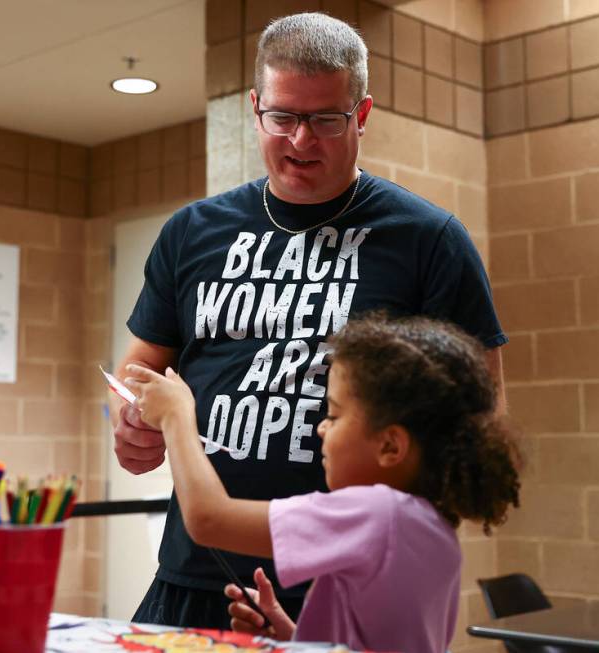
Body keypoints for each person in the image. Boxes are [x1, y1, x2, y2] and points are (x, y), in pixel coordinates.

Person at [111, 12, 507, 628]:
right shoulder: (191, 231)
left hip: (347, 580)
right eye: (284, 117)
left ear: (362, 115)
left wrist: (401, 528)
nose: (301, 140)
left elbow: (481, 415)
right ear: (255, 107)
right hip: (195, 575)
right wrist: (131, 424)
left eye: (326, 119)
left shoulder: (429, 239)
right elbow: (137, 372)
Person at [125, 312, 521, 653]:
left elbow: (209, 520)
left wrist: (177, 416)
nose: (321, 427)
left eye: (334, 414)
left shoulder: (378, 514)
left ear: (390, 445)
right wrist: (292, 636)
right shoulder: (429, 525)